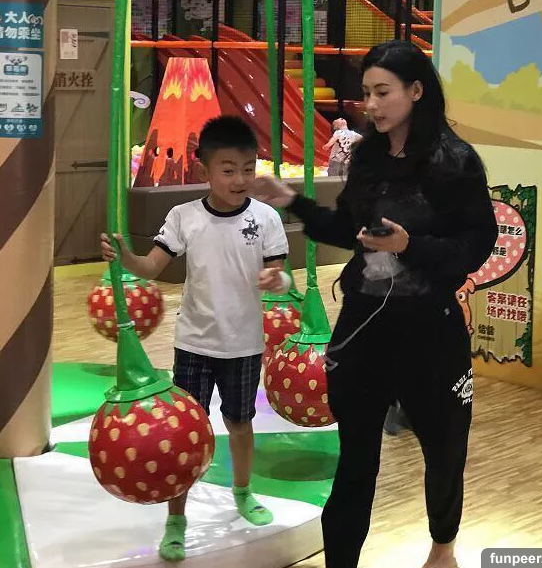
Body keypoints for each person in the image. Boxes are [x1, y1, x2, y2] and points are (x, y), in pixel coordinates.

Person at [254, 40, 497, 568]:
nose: (371, 104)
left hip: (430, 331)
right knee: (356, 460)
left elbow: (475, 247)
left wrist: (411, 246)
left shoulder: (455, 162)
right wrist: (293, 202)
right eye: (366, 93)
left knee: (444, 449)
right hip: (364, 325)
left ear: (416, 91)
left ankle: (443, 548)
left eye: (382, 92)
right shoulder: (365, 157)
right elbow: (348, 229)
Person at [101, 116, 290, 563]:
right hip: (194, 344)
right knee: (186, 431)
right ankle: (176, 517)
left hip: (244, 344)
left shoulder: (266, 218)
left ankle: (242, 491)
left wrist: (276, 280)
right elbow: (151, 267)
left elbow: (281, 277)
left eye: (248, 168)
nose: (240, 179)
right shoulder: (184, 217)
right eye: (228, 169)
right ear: (205, 170)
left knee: (240, 423)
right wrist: (125, 257)